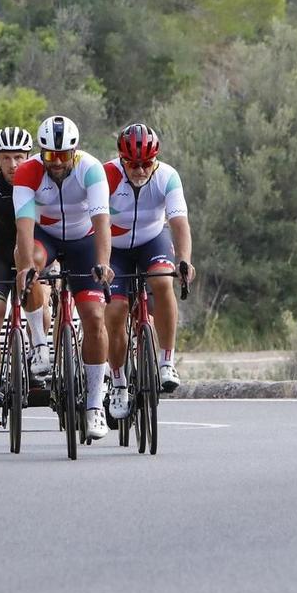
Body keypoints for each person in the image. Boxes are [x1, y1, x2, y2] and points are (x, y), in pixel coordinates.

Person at [12, 115, 115, 442]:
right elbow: (25, 226)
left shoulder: (91, 169)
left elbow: (102, 221)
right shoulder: (28, 172)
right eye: (50, 156)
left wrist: (103, 263)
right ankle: (40, 345)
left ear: (75, 151)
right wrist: (28, 267)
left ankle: (96, 404)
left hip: (84, 238)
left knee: (95, 317)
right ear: (40, 152)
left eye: (63, 156)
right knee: (27, 264)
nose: (56, 163)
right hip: (47, 236)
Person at [102, 122, 195, 420]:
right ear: (120, 158)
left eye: (146, 164)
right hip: (114, 248)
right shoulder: (106, 176)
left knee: (162, 281)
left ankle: (166, 360)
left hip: (152, 239)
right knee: (115, 312)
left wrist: (184, 260)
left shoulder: (167, 176)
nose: (140, 170)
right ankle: (117, 383)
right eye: (133, 164)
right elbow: (93, 223)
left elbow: (179, 223)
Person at [0, 126, 50, 426]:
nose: (13, 164)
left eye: (19, 157)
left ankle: (39, 350)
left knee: (42, 307)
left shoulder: (41, 184)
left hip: (32, 254)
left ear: (29, 157)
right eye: (6, 158)